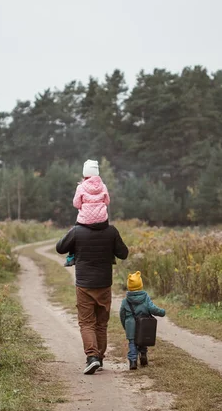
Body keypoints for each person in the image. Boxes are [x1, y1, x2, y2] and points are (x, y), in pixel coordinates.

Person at [56, 219, 128, 374]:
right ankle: (99, 358)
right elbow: (123, 253)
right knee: (101, 323)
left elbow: (60, 248)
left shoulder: (77, 231)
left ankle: (92, 357)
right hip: (104, 284)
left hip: (84, 285)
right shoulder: (111, 231)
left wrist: (74, 230)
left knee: (87, 322)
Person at [65, 159, 110, 267]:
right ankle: (111, 256)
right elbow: (107, 202)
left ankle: (71, 257)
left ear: (85, 173)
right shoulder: (103, 186)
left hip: (84, 220)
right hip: (102, 220)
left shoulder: (80, 187)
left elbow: (76, 204)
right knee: (109, 234)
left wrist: (84, 206)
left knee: (74, 234)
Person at [119, 271, 166, 370]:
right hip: (143, 325)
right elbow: (152, 309)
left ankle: (133, 362)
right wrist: (162, 312)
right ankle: (143, 357)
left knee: (132, 343)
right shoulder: (145, 298)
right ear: (140, 285)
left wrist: (125, 326)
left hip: (130, 326)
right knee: (142, 342)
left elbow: (122, 315)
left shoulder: (125, 301)